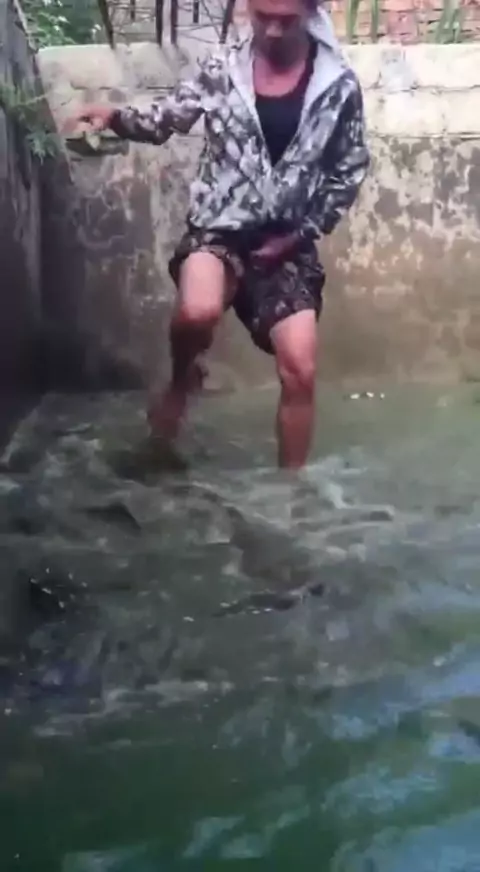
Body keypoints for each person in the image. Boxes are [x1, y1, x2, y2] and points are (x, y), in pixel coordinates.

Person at [72, 0, 369, 469]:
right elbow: (167, 118)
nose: (272, 31)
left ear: (312, 12)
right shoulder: (223, 69)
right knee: (198, 311)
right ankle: (181, 381)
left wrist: (300, 236)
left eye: (286, 20)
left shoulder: (338, 86)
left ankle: (292, 492)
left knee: (301, 370)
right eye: (262, 17)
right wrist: (114, 118)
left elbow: (348, 171)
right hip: (218, 229)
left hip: (286, 240)